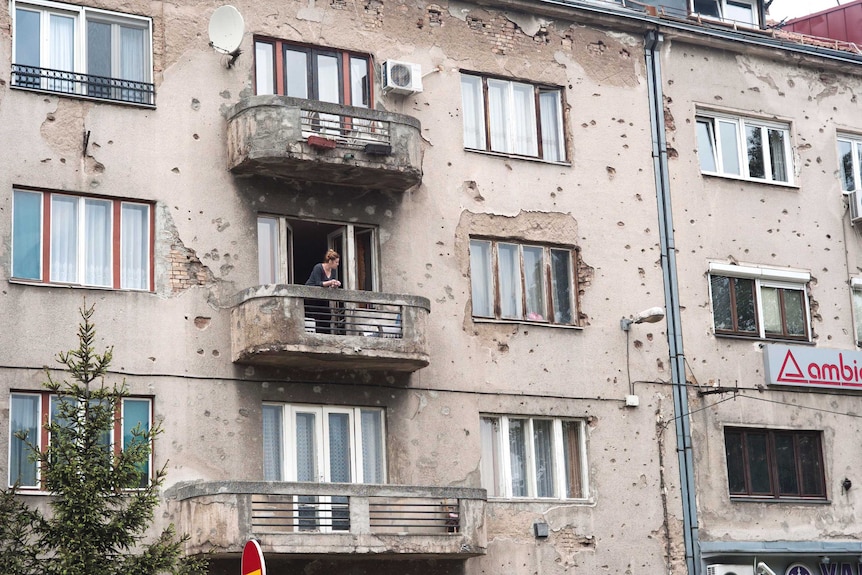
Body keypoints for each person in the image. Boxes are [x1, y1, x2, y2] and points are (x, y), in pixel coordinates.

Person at [305, 249, 341, 333]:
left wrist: (335, 284)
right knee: (318, 317)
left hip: (324, 296)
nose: (337, 264)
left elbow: (331, 283)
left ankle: (326, 335)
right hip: (312, 297)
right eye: (336, 262)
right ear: (330, 261)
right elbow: (318, 283)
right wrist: (331, 282)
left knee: (327, 316)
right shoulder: (318, 267)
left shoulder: (333, 270)